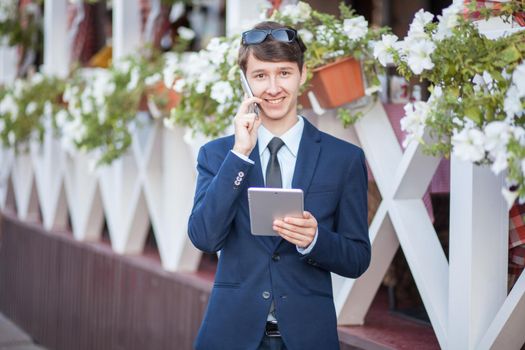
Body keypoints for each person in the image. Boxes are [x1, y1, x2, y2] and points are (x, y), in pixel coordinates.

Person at [188, 20, 370, 350]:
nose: (273, 87)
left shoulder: (344, 159)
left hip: (308, 335)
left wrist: (316, 240)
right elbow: (204, 236)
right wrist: (240, 154)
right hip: (230, 334)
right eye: (260, 76)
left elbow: (357, 258)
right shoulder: (218, 155)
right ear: (246, 82)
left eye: (284, 73)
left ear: (302, 74)